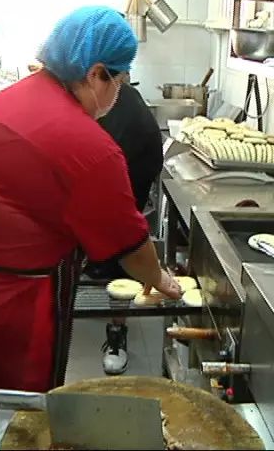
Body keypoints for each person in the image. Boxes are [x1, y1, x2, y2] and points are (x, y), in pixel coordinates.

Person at [0, 6, 181, 410]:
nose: (120, 90)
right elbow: (129, 244)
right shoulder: (90, 147)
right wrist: (160, 278)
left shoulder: (4, 101)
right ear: (96, 73)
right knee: (11, 429)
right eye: (119, 78)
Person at [84, 81, 163, 375]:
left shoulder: (126, 111)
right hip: (96, 169)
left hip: (130, 170)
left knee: (118, 246)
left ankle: (117, 335)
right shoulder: (75, 94)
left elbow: (124, 222)